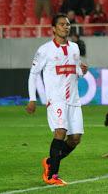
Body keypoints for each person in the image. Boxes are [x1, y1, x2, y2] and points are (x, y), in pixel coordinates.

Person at [26, 14, 88, 186]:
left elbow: (75, 70)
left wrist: (83, 71)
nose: (66, 27)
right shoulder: (44, 50)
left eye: (68, 24)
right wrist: (32, 99)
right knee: (60, 131)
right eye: (61, 24)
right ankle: (52, 175)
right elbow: (33, 74)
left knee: (75, 138)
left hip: (74, 100)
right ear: (53, 28)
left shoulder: (75, 47)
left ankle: (50, 162)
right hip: (56, 99)